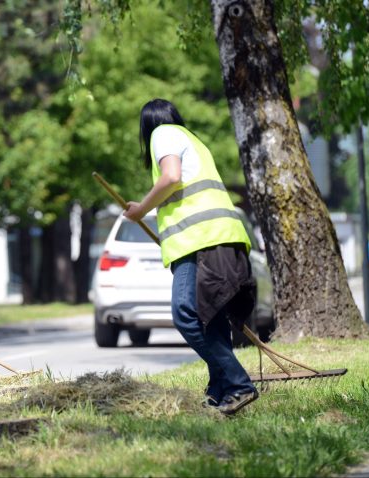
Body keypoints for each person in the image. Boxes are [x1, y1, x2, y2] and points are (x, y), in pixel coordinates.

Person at [123, 99, 258, 415]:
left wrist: (141, 209)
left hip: (200, 241)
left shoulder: (163, 134)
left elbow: (171, 177)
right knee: (209, 317)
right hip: (223, 236)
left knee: (185, 313)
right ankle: (220, 393)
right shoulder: (193, 140)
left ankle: (238, 383)